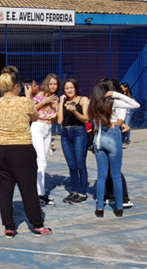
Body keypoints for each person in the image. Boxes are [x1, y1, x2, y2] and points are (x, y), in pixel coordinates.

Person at [0, 66, 52, 238]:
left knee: (4, 189)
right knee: (28, 188)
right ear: (17, 86)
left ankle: (9, 227)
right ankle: (37, 225)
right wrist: (28, 98)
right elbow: (35, 117)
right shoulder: (25, 102)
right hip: (22, 147)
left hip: (0, 148)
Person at [88, 78, 139, 218]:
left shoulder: (93, 103)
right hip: (113, 136)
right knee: (116, 175)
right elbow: (136, 105)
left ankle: (99, 208)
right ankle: (119, 208)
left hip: (99, 138)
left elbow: (92, 121)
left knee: (101, 176)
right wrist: (118, 95)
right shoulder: (115, 102)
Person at [57, 79, 89, 204]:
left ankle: (82, 192)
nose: (69, 90)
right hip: (65, 133)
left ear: (75, 88)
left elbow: (86, 119)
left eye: (71, 87)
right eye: (66, 88)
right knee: (71, 165)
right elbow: (59, 121)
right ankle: (74, 190)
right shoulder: (63, 102)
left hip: (79, 132)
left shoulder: (83, 99)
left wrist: (74, 110)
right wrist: (60, 103)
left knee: (80, 164)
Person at [31, 73, 60, 206]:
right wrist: (44, 102)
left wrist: (55, 114)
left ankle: (39, 188)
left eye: (55, 84)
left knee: (43, 161)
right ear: (47, 84)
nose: (53, 86)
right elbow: (31, 108)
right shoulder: (42, 94)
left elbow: (55, 118)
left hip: (48, 129)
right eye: (51, 84)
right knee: (41, 161)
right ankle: (40, 194)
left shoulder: (56, 98)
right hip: (38, 127)